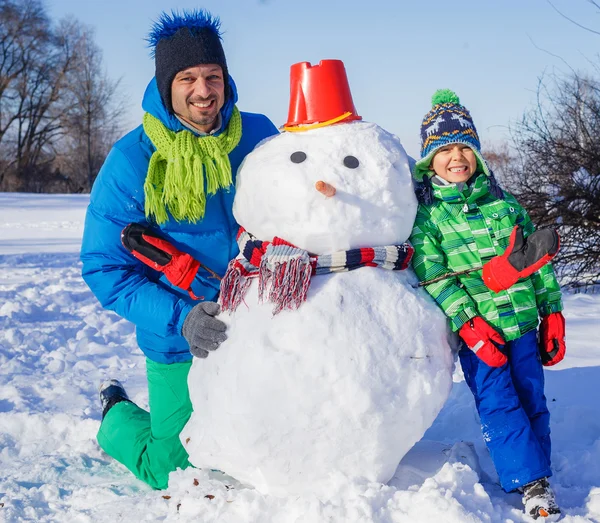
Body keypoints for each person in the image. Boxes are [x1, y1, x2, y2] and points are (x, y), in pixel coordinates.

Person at [80, 9, 278, 490]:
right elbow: (104, 267)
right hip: (179, 340)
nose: (203, 90)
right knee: (178, 471)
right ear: (166, 86)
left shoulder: (261, 136)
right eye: (187, 78)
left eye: (213, 76)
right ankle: (116, 416)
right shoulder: (133, 159)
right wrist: (182, 318)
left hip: (262, 327)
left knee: (274, 444)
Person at [409, 89, 566, 520]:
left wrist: (552, 312)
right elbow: (433, 274)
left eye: (464, 146)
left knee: (532, 396)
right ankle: (530, 482)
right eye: (444, 149)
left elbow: (539, 262)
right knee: (499, 402)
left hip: (523, 321)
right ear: (429, 160)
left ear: (476, 152)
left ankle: (538, 474)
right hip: (482, 332)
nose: (456, 156)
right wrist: (467, 322)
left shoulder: (505, 203)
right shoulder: (428, 217)